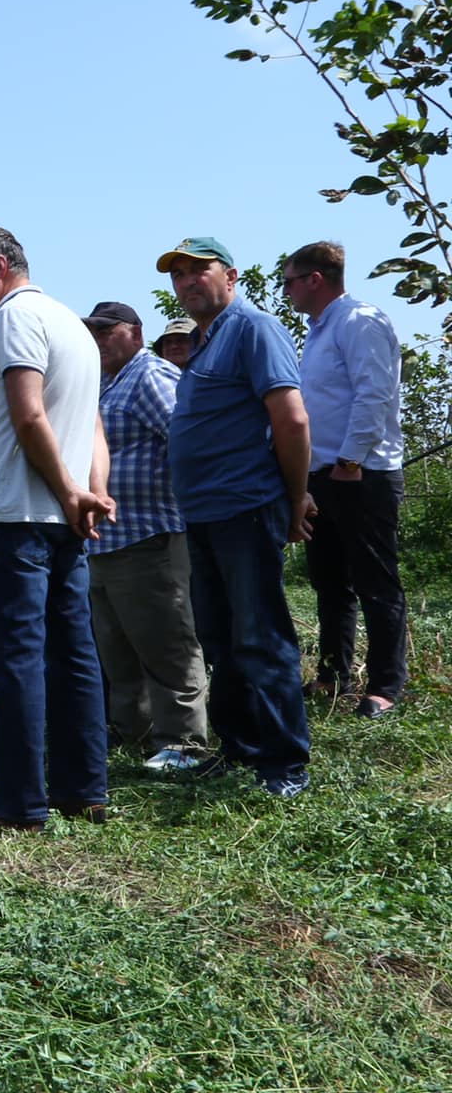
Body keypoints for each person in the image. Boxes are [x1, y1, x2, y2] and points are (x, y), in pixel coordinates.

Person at [0, 225, 114, 831]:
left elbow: (28, 414)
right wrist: (92, 492)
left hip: (18, 516)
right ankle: (83, 788)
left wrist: (72, 492)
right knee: (74, 653)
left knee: (17, 658)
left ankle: (20, 802)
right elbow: (93, 428)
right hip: (64, 519)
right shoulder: (73, 325)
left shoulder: (16, 317)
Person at [160, 236, 314, 798]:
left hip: (245, 507)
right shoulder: (205, 341)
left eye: (198, 270)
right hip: (202, 514)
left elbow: (291, 420)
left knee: (260, 637)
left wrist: (295, 497)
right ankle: (241, 748)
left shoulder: (254, 328)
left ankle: (285, 762)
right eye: (178, 275)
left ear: (230, 276)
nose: (187, 282)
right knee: (220, 639)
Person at [81, 300, 209, 771]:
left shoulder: (149, 374)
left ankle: (184, 742)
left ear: (135, 333)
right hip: (107, 541)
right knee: (117, 648)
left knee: (166, 644)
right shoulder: (103, 383)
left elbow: (187, 439)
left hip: (150, 535)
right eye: (93, 332)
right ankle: (131, 731)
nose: (98, 339)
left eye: (107, 330)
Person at [285, 240, 406, 718]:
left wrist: (350, 462)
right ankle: (333, 675)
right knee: (330, 581)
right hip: (323, 475)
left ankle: (385, 686)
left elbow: (374, 393)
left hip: (361, 474)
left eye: (290, 282)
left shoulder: (359, 321)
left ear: (314, 279)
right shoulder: (319, 330)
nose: (287, 291)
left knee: (375, 581)